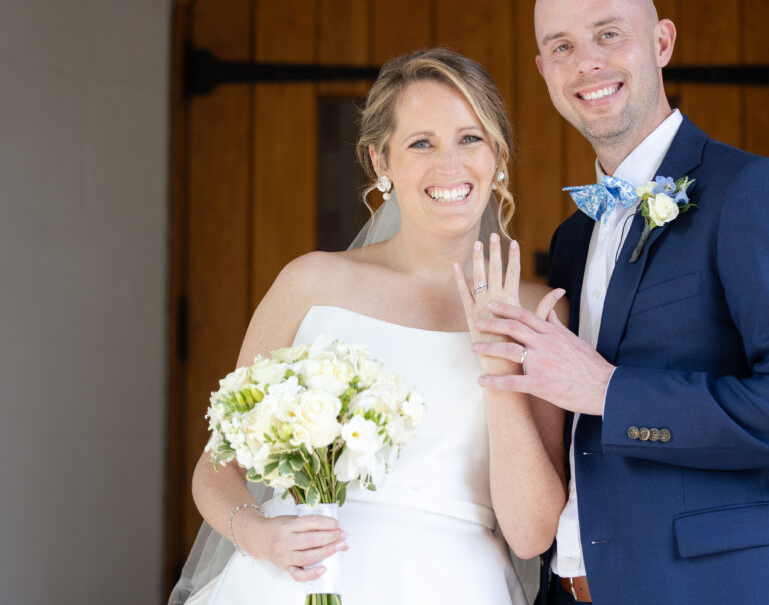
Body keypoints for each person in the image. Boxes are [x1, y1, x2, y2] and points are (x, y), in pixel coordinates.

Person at [471, 0, 769, 604]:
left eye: (608, 34)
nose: (587, 63)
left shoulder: (751, 193)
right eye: (562, 46)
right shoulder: (573, 239)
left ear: (662, 42)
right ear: (544, 70)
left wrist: (613, 393)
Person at [170, 47, 568, 604]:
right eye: (421, 143)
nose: (449, 165)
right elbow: (216, 467)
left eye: (470, 138)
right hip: (291, 582)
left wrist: (499, 361)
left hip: (451, 587)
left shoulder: (540, 311)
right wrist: (260, 535)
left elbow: (531, 534)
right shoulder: (309, 284)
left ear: (497, 153)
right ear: (381, 161)